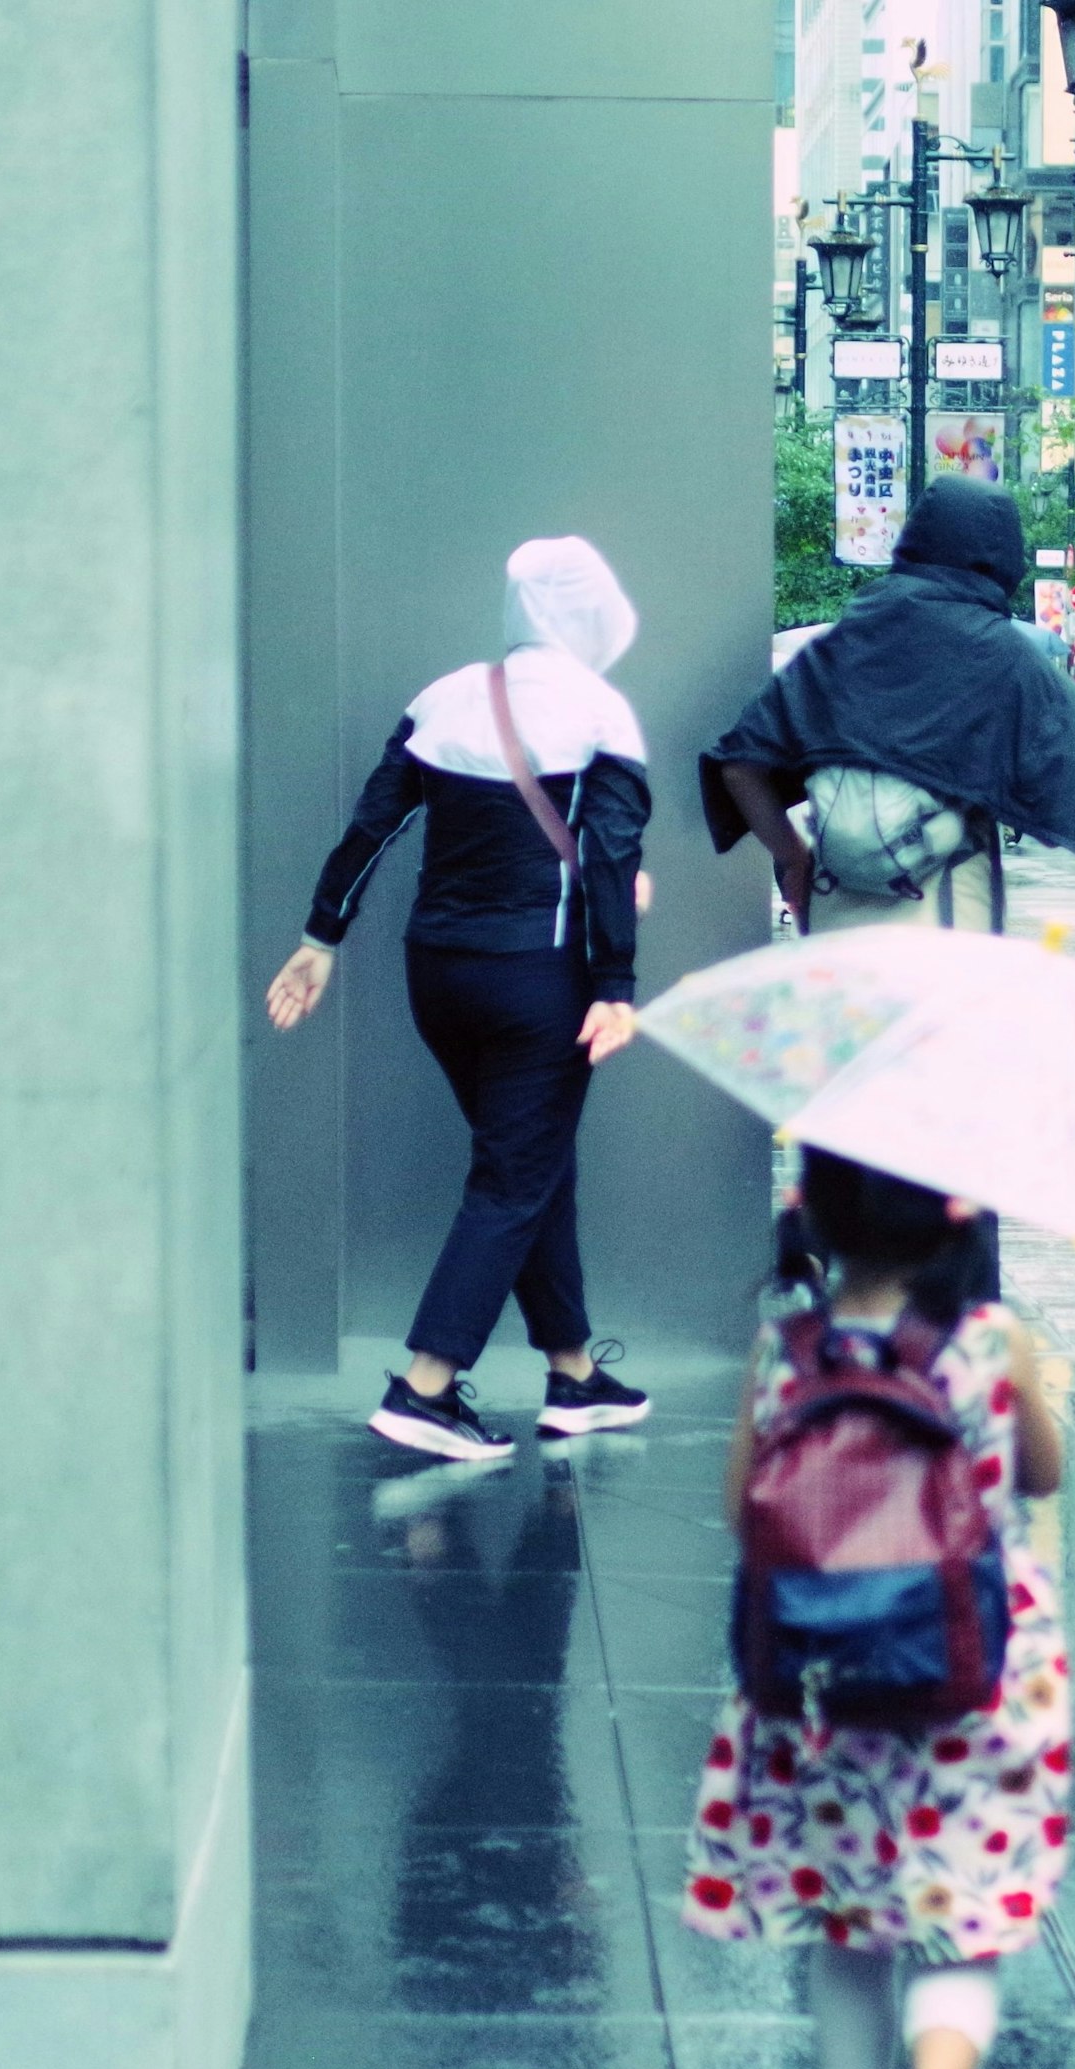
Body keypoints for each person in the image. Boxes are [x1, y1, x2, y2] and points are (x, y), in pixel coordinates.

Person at [684, 1148, 1071, 2069]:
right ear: (960, 1215)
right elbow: (1038, 1479)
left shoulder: (787, 1351)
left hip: (820, 1685)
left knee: (847, 1919)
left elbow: (737, 1507)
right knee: (965, 1911)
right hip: (973, 1679)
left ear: (810, 1213)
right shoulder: (996, 1346)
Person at [266, 537, 657, 1465]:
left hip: (436, 974)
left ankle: (573, 1375)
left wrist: (322, 937)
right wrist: (617, 986)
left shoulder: (445, 697)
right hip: (542, 979)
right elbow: (606, 854)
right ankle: (425, 1389)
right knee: (514, 1176)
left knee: (529, 1162)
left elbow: (372, 826)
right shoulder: (603, 711)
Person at [703, 478, 1075, 936]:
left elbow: (739, 767)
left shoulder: (846, 641)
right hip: (948, 917)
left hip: (835, 910)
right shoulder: (1004, 656)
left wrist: (793, 860)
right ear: (1004, 555)